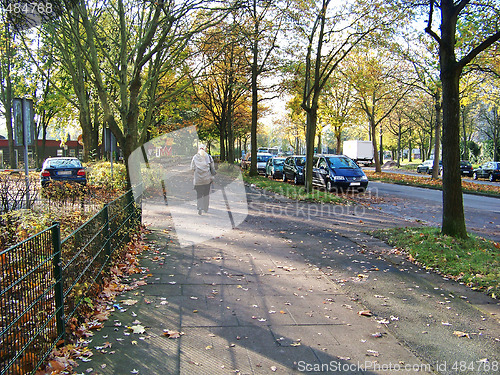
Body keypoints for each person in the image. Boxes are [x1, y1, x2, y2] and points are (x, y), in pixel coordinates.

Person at [191, 144, 215, 215]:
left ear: (198, 149)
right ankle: (205, 208)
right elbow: (212, 168)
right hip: (207, 180)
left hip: (198, 180)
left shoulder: (195, 157)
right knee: (206, 194)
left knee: (199, 193)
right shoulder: (209, 157)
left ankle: (199, 207)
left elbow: (192, 168)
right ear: (205, 149)